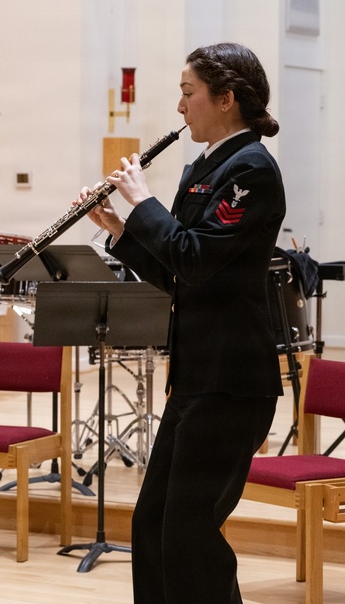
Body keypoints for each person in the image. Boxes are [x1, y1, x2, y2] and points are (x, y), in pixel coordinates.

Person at [77, 43, 285, 603]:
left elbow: (194, 256)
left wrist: (144, 203)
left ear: (226, 98)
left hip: (233, 379)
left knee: (189, 533)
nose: (179, 107)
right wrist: (121, 227)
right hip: (197, 375)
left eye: (188, 93)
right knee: (153, 526)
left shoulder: (252, 170)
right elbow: (178, 274)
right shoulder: (206, 166)